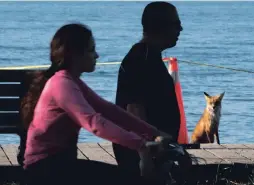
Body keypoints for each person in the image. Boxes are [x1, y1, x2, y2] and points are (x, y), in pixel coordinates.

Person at [20, 23, 169, 185]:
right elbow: (94, 122)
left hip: (59, 166)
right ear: (75, 55)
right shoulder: (62, 83)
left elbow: (109, 111)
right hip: (44, 171)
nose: (97, 55)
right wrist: (140, 144)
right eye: (91, 50)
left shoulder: (71, 81)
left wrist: (154, 132)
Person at [113, 1, 184, 182]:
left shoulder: (148, 56)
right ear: (160, 26)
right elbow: (134, 109)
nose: (181, 29)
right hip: (144, 156)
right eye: (176, 24)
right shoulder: (140, 59)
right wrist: (149, 153)